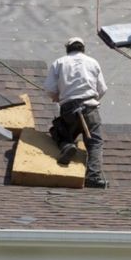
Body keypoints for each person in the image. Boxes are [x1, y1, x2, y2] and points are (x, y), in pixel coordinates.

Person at [44, 37, 109, 189]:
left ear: (68, 49)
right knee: (95, 142)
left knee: (59, 130)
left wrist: (58, 97)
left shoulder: (59, 63)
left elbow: (49, 89)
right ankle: (93, 177)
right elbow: (102, 89)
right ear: (82, 49)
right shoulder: (93, 62)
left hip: (69, 109)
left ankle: (67, 145)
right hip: (89, 107)